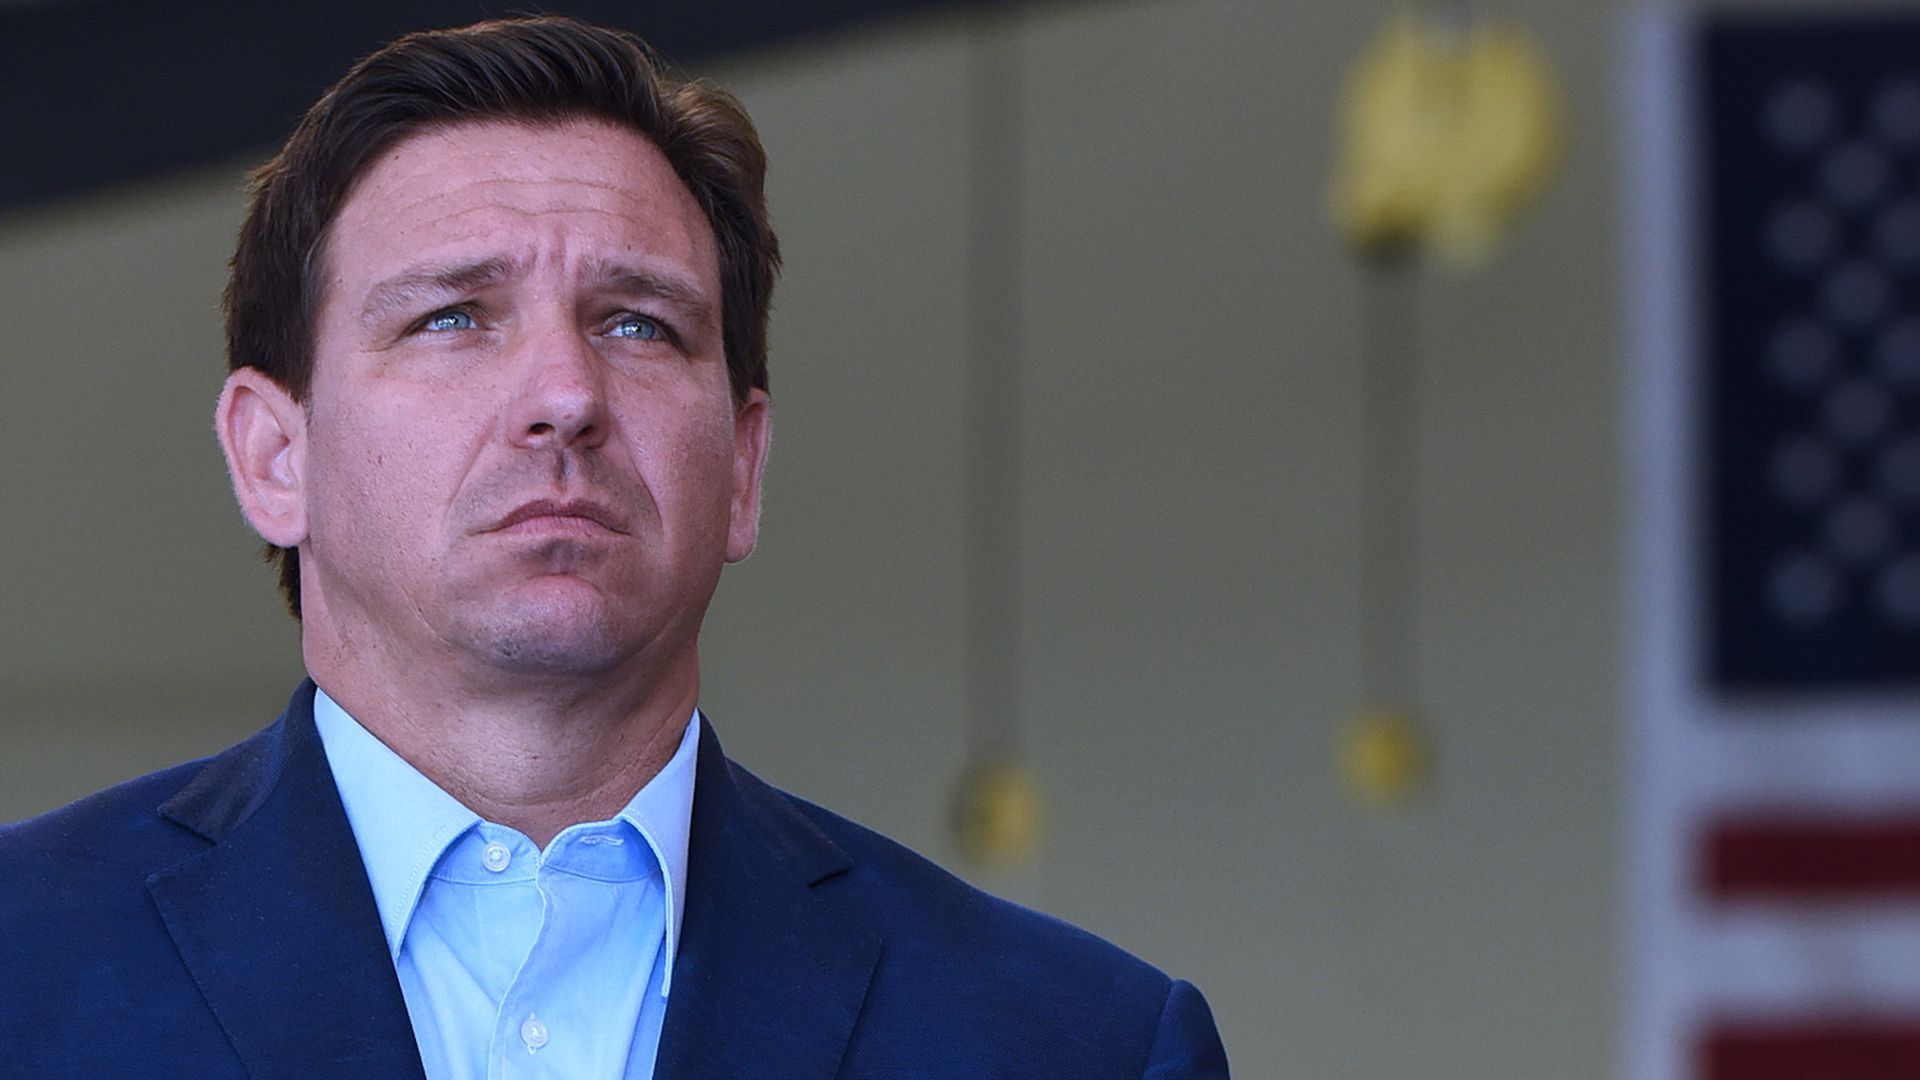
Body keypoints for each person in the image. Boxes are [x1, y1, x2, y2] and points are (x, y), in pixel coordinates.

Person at [0, 15, 1228, 1079]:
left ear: (742, 468)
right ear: (276, 456)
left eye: (638, 323)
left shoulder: (1084, 1046)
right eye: (453, 316)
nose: (563, 394)